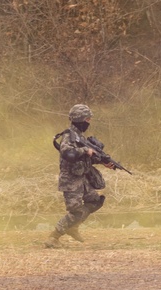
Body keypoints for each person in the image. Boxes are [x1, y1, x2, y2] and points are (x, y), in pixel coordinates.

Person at [45, 104, 118, 248]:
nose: (89, 122)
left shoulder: (80, 137)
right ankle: (53, 237)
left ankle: (73, 227)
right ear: (80, 119)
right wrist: (85, 150)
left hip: (82, 179)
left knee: (96, 201)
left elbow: (86, 157)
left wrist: (103, 161)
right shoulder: (68, 136)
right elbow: (67, 153)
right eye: (87, 119)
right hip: (71, 180)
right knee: (76, 211)